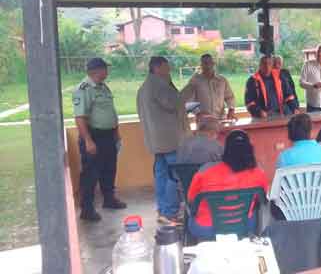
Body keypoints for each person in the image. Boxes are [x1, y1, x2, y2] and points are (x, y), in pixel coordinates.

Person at [187, 130, 268, 241]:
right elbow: (262, 199)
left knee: (189, 215)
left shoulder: (204, 171)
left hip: (206, 229)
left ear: (226, 150)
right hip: (244, 225)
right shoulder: (259, 173)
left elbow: (191, 200)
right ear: (249, 149)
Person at [73, 57, 127, 221]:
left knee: (109, 169)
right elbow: (80, 117)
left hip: (108, 135)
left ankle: (109, 199)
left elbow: (110, 111)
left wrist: (116, 132)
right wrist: (88, 140)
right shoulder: (84, 89)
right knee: (90, 174)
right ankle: (87, 209)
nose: (107, 71)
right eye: (105, 68)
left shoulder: (103, 87)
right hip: (94, 136)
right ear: (95, 71)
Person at [137, 56, 184, 225]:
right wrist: (175, 88)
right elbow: (174, 103)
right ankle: (170, 213)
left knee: (161, 176)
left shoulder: (144, 87)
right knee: (174, 177)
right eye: (166, 67)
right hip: (168, 141)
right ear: (157, 68)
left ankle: (163, 210)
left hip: (155, 141)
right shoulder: (159, 85)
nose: (169, 71)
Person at [277, 113, 321, 216]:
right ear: (310, 130)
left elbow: (280, 187)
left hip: (294, 212)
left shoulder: (284, 157)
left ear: (290, 134)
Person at [180, 54, 236, 120]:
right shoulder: (195, 81)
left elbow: (229, 97)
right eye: (205, 63)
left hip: (221, 118)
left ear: (213, 64)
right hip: (203, 121)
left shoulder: (222, 80)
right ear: (201, 65)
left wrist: (231, 110)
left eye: (210, 63)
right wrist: (198, 113)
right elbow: (189, 100)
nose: (208, 66)